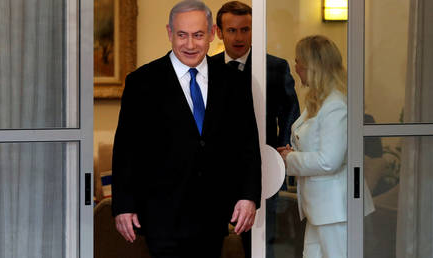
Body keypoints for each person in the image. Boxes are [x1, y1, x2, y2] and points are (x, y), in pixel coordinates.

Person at [111, 1, 262, 257]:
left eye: (198, 35)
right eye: (182, 35)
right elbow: (126, 149)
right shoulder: (142, 82)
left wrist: (249, 196)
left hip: (213, 216)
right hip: (161, 216)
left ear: (212, 33)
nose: (190, 45)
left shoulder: (234, 82)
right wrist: (123, 205)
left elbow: (247, 144)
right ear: (170, 33)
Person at [212, 2, 300, 257]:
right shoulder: (207, 68)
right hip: (214, 173)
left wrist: (280, 155)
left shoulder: (275, 67)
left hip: (262, 170)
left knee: (261, 245)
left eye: (245, 29)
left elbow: (290, 112)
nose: (239, 37)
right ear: (219, 32)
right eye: (231, 30)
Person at [278, 35, 349, 258]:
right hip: (319, 209)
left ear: (312, 66)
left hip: (335, 210)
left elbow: (329, 160)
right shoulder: (318, 102)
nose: (296, 67)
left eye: (298, 61)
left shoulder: (336, 105)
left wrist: (289, 159)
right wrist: (292, 153)